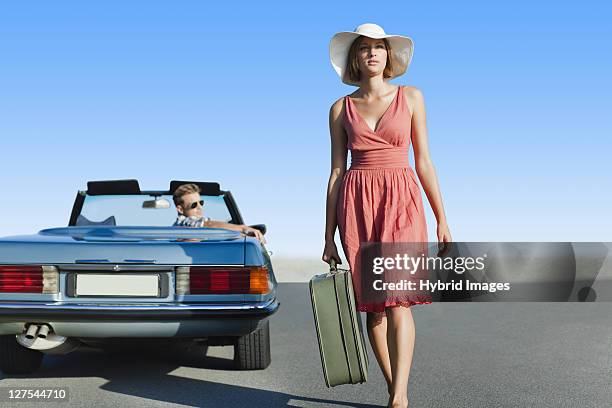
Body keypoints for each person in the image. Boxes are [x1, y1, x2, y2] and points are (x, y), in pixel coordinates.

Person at [322, 23, 452, 408]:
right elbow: (335, 171)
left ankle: (400, 396)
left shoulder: (411, 97)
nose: (373, 53)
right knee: (374, 306)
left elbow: (424, 161)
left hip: (402, 198)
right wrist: (328, 233)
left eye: (379, 47)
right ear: (355, 59)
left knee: (397, 299)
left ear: (388, 56)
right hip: (357, 202)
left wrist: (442, 217)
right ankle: (393, 383)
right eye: (365, 48)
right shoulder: (339, 108)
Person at [173, 183, 266, 244]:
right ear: (180, 209)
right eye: (193, 204)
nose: (199, 207)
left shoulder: (188, 229)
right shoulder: (184, 222)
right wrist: (243, 228)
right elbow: (207, 224)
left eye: (200, 203)